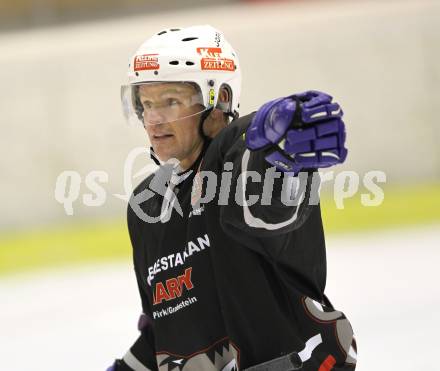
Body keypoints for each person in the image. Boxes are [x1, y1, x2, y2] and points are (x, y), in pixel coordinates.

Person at [109, 25, 357, 371]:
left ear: (219, 100)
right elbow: (165, 329)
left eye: (170, 101)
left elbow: (261, 187)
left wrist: (283, 140)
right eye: (146, 103)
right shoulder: (147, 205)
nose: (153, 119)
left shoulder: (236, 158)